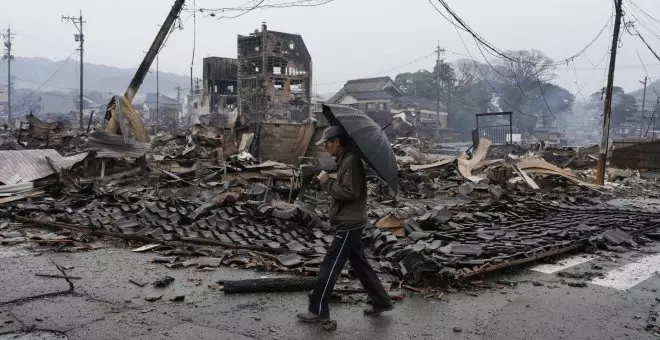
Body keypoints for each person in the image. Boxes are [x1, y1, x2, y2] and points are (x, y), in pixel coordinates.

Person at [297, 126, 393, 323]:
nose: (325, 146)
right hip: (350, 221)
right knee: (360, 265)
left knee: (330, 265)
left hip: (349, 224)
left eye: (327, 142)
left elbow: (350, 193)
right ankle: (381, 301)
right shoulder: (345, 161)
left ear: (337, 142)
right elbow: (347, 188)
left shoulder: (351, 162)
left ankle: (318, 309)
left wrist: (326, 182)